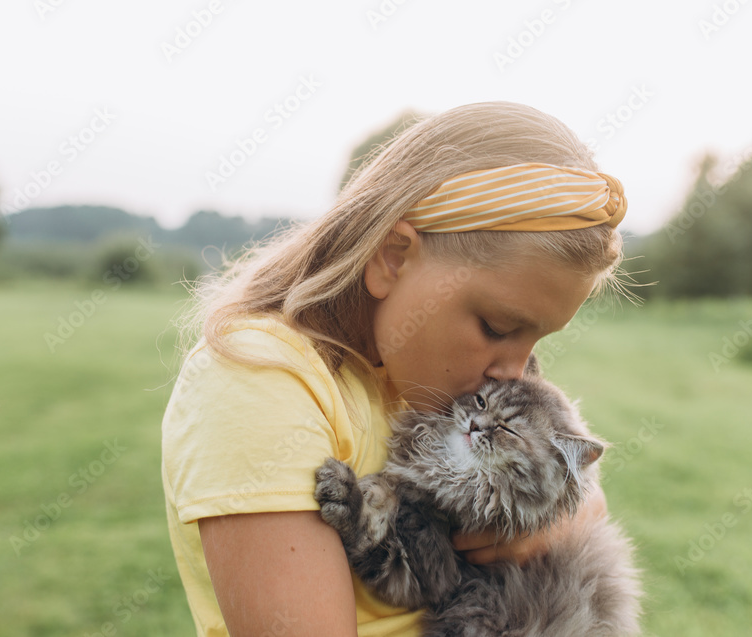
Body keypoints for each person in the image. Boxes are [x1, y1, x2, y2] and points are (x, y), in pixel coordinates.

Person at [161, 101, 628, 637]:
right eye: (497, 328)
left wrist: (560, 519)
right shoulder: (259, 379)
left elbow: (582, 496)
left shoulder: (430, 381)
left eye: (537, 340)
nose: (516, 373)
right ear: (392, 258)